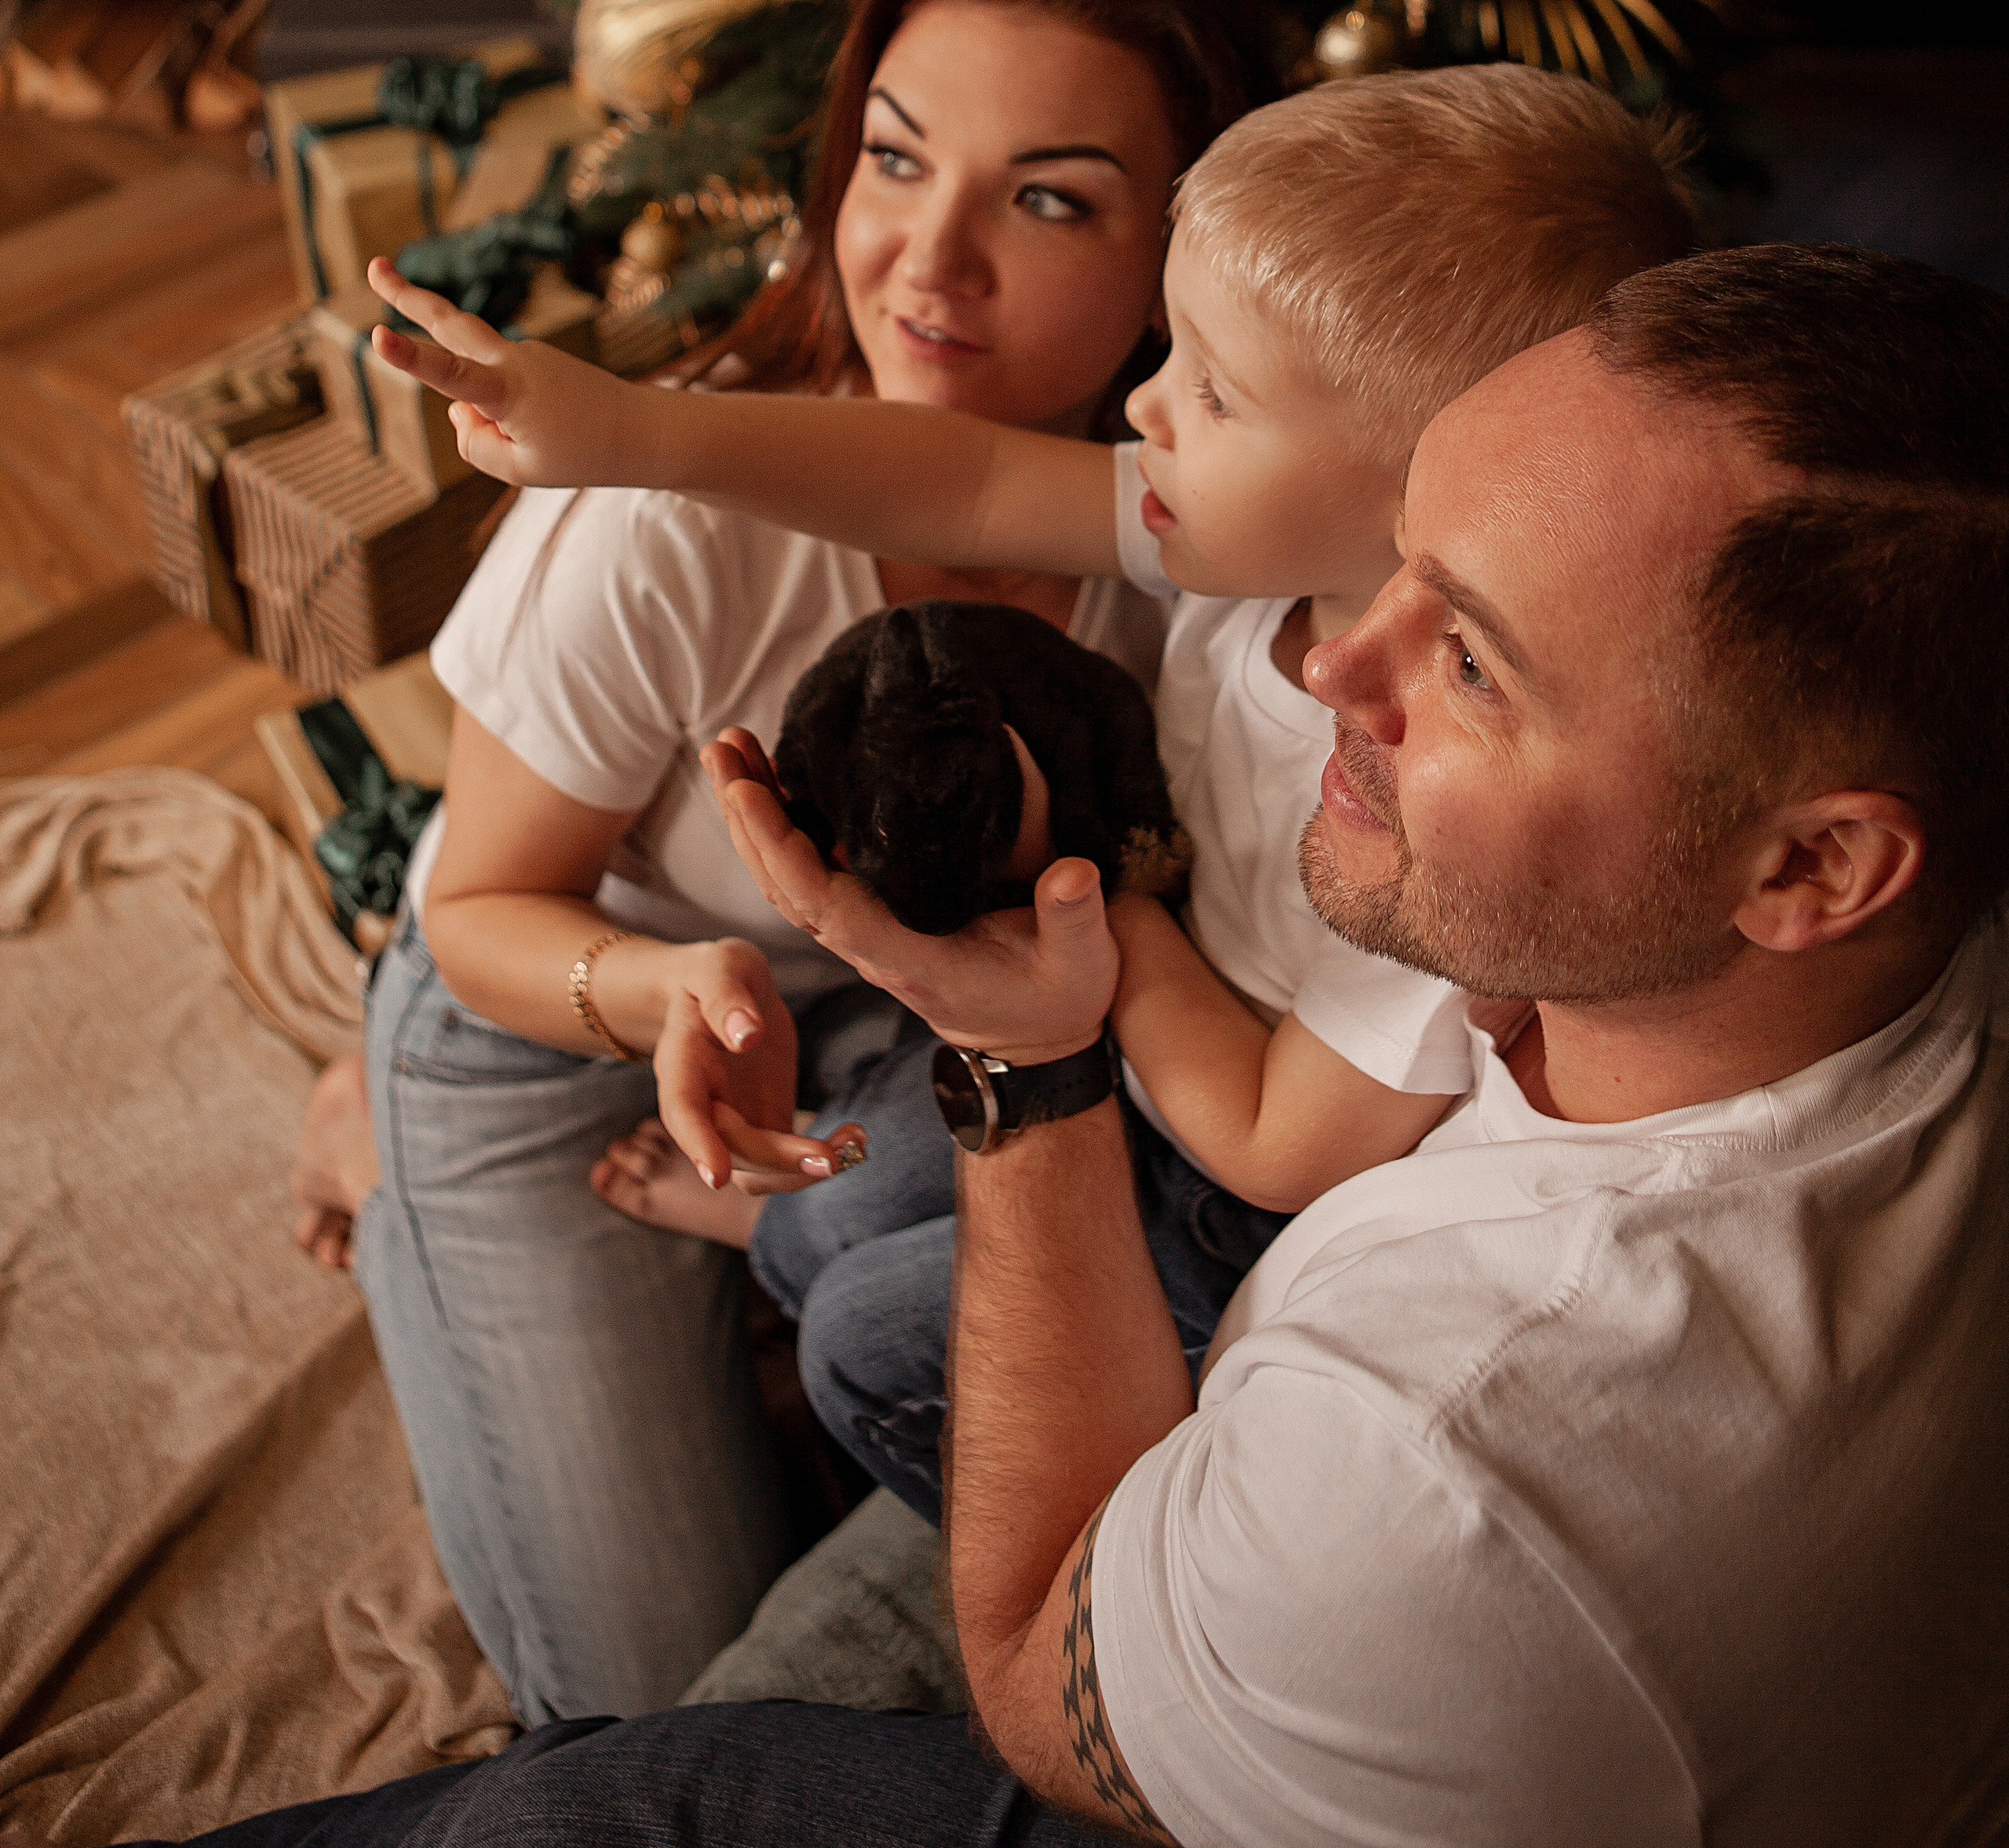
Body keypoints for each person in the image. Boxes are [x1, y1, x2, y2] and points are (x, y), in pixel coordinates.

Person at [154, 242, 2009, 1847]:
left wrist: (1025, 1065)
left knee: (589, 1784)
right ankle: (393, 1088)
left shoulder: (1444, 1476)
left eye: (1474, 668)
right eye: (1401, 566)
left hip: (1289, 1619)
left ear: (1811, 866)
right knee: (830, 1379)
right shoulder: (1887, 917)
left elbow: (1040, 1674)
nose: (1330, 666)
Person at [368, 67, 1697, 1518]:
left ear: (1422, 493)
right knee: (837, 1217)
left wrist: (1101, 901)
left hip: (1228, 1180)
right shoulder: (1243, 542)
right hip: (1124, 1044)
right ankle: (758, 1247)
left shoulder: (1448, 798)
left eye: (1212, 390)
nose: (1144, 405)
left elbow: (1276, 1145)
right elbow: (966, 482)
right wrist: (633, 437)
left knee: (865, 1338)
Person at [295, 0, 1277, 1724]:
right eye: (894, 162)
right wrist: (669, 998)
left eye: (1047, 198)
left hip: (908, 1022)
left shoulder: (1195, 548)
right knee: (657, 1709)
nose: (928, 259)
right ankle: (398, 1140)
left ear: (1179, 250)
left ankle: (716, 1258)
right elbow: (488, 908)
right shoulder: (664, 514)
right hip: (565, 1021)